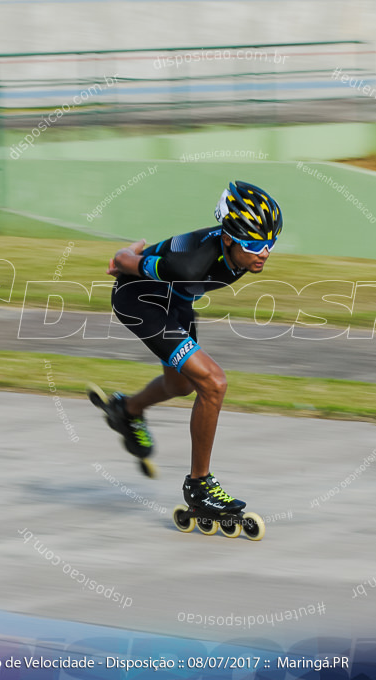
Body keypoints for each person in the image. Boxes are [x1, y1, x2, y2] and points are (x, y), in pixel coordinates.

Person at [94, 180, 282, 515]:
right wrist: (126, 255)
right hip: (141, 300)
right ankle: (199, 486)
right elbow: (125, 263)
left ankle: (127, 411)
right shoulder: (189, 263)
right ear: (227, 238)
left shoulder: (238, 250)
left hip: (176, 299)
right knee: (213, 383)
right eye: (254, 244)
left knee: (179, 385)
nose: (264, 252)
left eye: (270, 243)